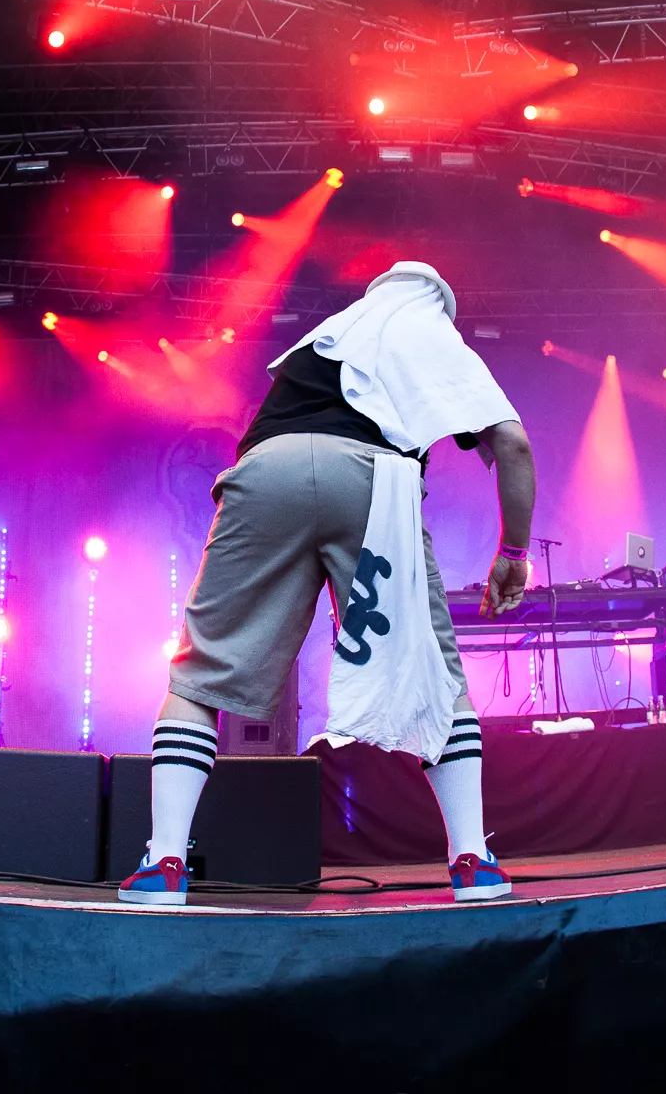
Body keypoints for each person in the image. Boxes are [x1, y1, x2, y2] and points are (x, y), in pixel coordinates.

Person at [117, 263, 536, 906]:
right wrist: (513, 552)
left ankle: (164, 864)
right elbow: (513, 444)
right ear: (438, 307)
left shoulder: (328, 334)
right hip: (372, 479)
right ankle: (472, 862)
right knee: (434, 671)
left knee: (198, 673)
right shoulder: (432, 333)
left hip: (267, 471)